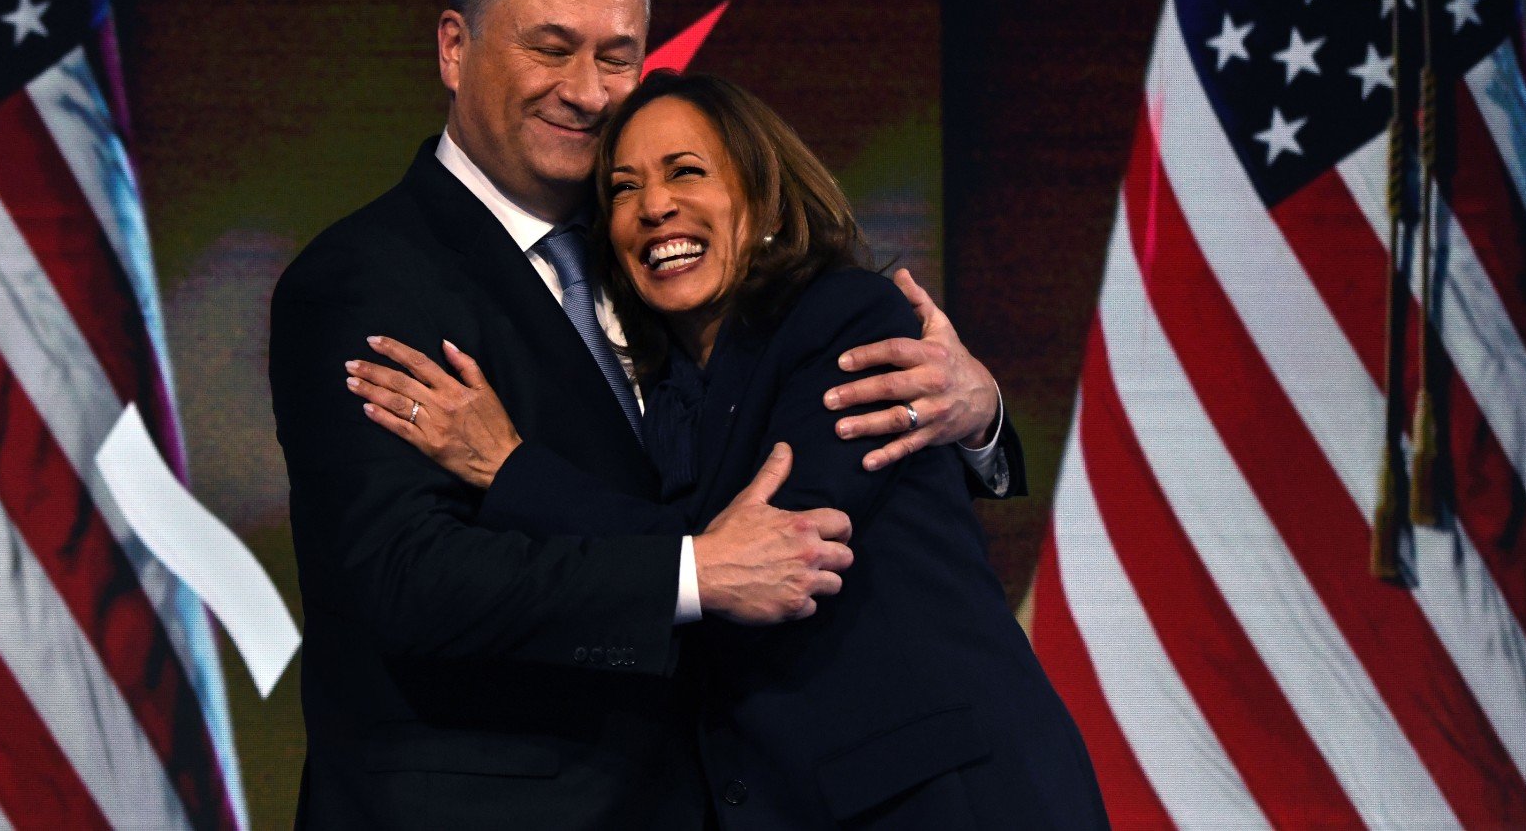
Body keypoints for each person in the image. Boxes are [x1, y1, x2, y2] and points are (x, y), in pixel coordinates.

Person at [273, 0, 1021, 829]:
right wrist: (693, 573)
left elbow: (767, 504)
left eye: (617, 55)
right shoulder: (366, 276)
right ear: (454, 48)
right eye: (551, 47)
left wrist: (982, 411)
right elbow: (405, 576)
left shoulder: (668, 266)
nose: (587, 90)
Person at [353, 72, 1103, 828]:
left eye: (686, 171)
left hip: (949, 799)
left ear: (765, 200)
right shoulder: (663, 399)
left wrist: (512, 470)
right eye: (621, 189)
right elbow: (704, 561)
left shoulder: (845, 317)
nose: (653, 207)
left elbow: (772, 553)